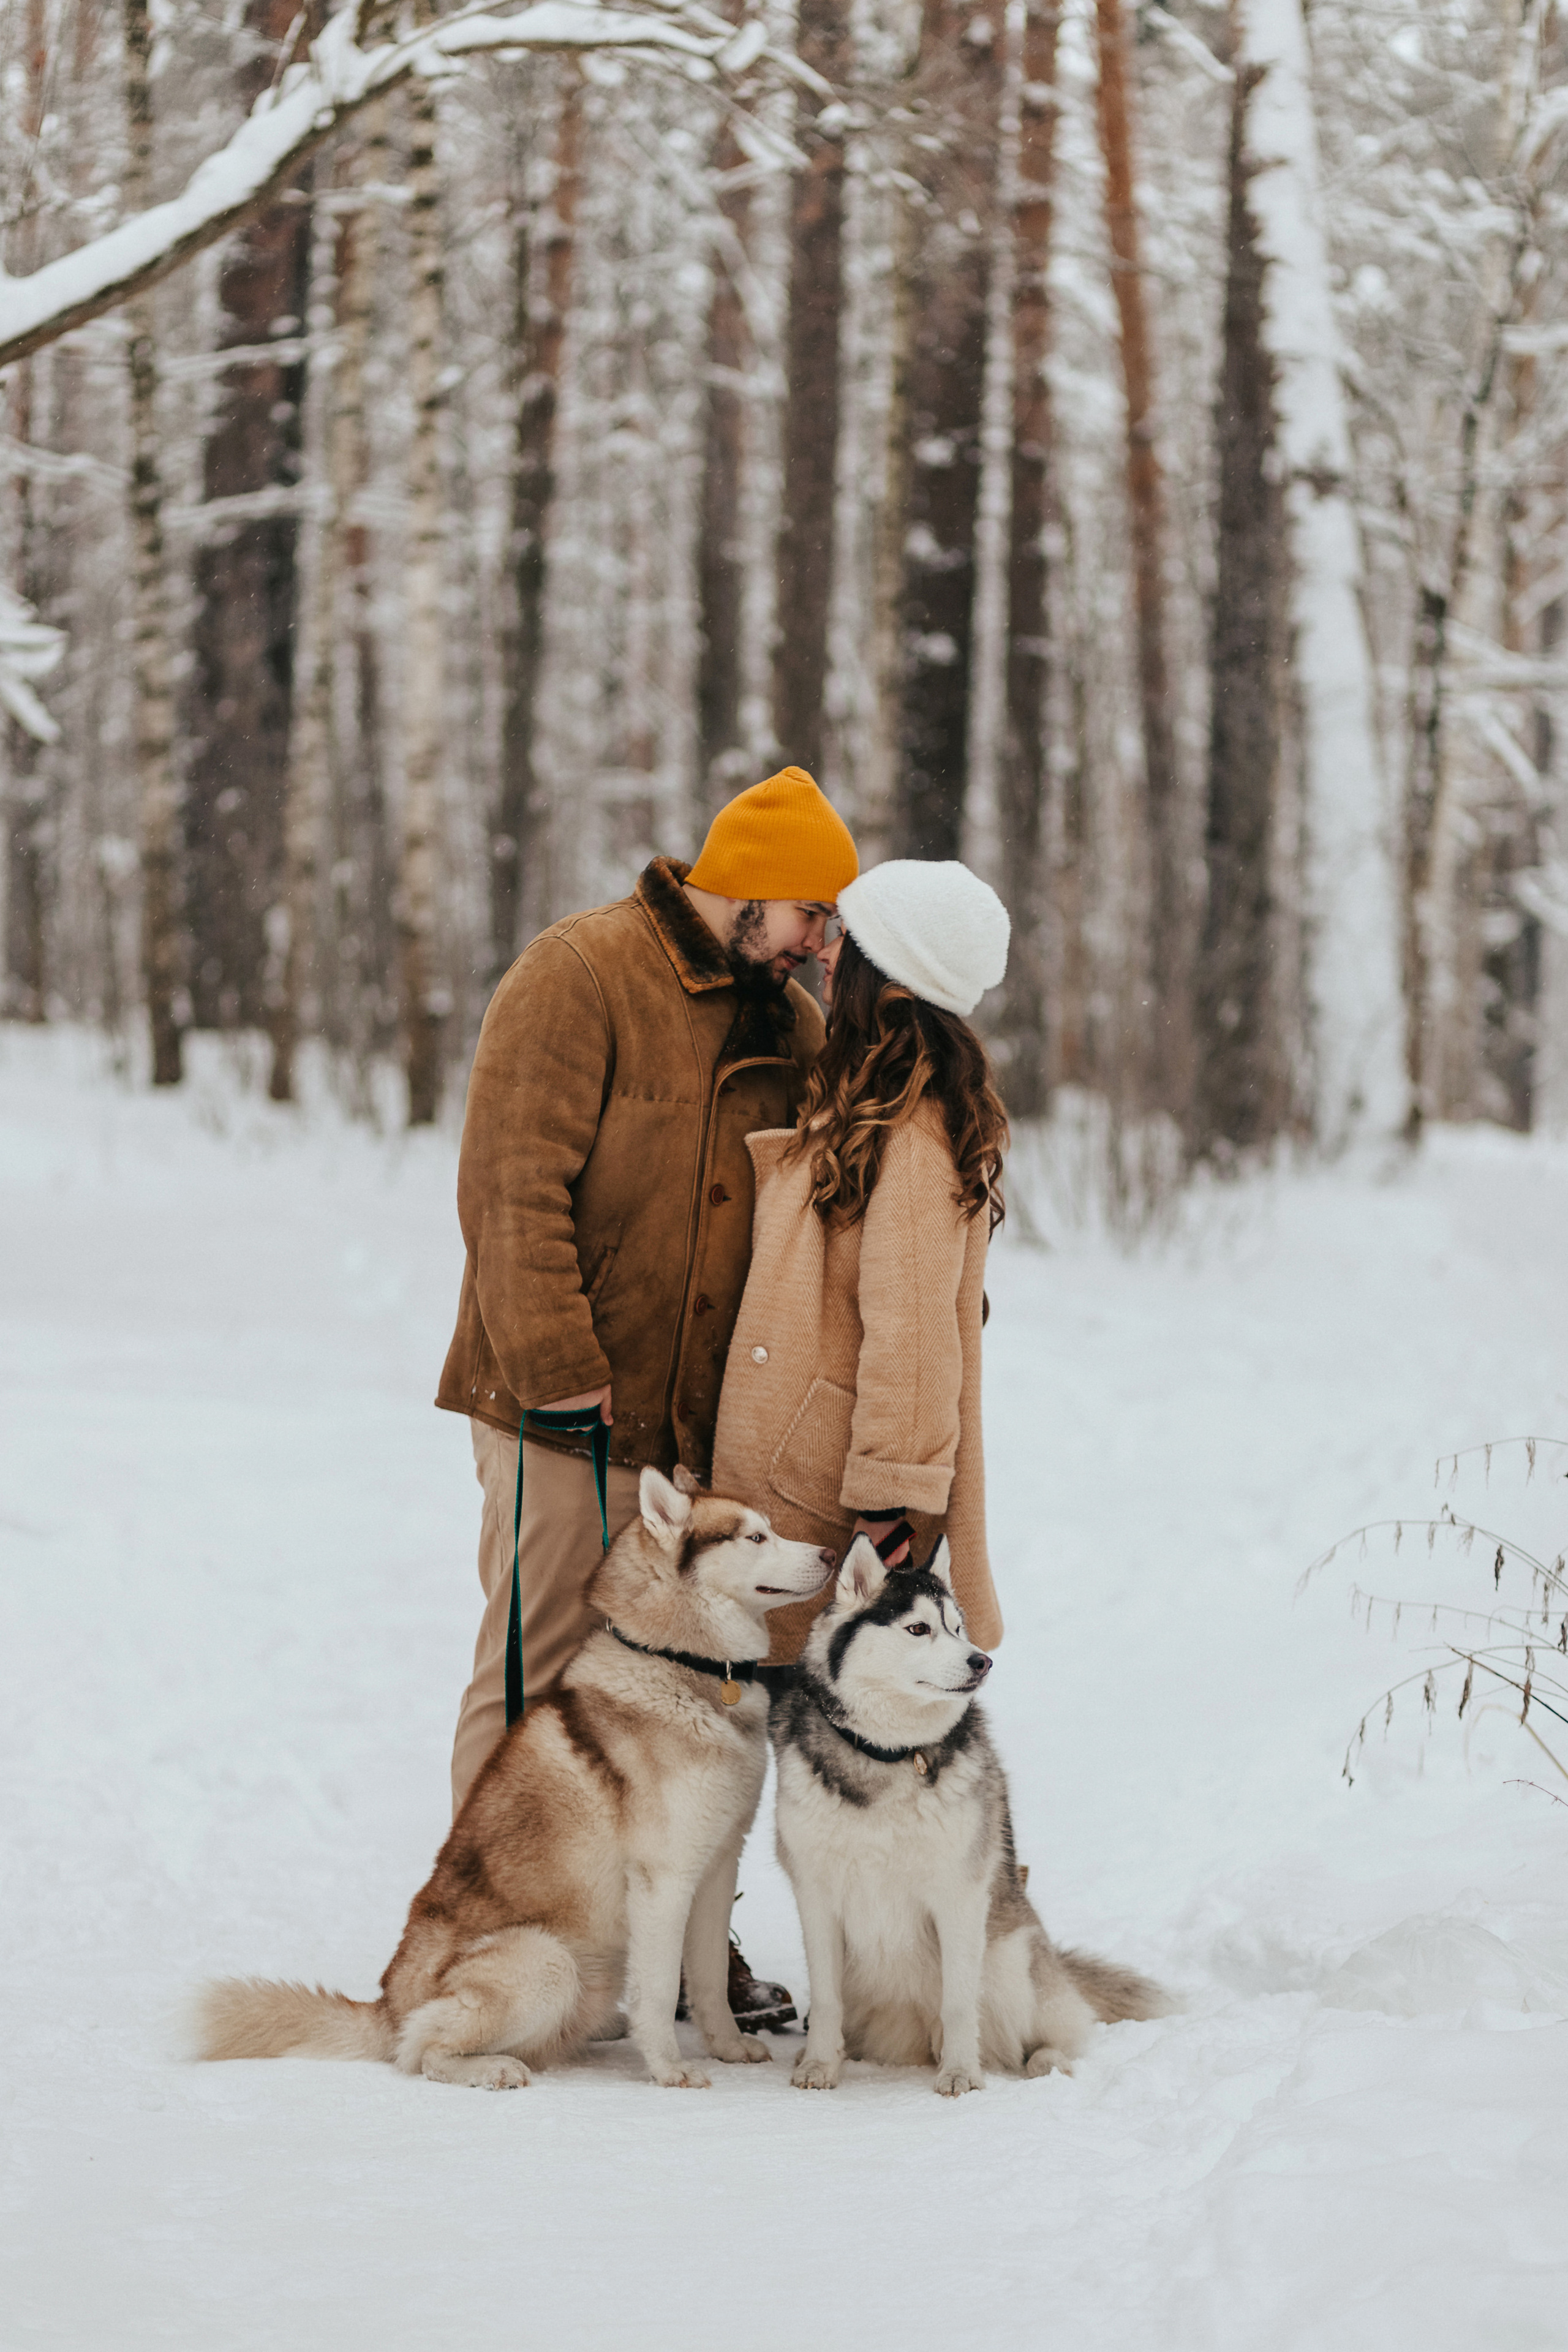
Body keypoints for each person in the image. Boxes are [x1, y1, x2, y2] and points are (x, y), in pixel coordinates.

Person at [436, 765, 858, 1882]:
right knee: (540, 1678)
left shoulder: (792, 1019)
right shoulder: (579, 971)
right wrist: (560, 1367)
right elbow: (510, 1188)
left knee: (677, 1698)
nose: (820, 942)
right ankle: (491, 1918)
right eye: (812, 913)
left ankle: (660, 1944)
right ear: (753, 887)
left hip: (701, 1431)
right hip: (562, 1407)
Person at [711, 859, 1011, 1660]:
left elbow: (913, 1337)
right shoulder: (870, 1097)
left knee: (810, 1718)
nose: (824, 948)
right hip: (806, 1469)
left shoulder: (914, 1129)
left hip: (830, 1495)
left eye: (846, 933)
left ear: (893, 968)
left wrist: (888, 1510)